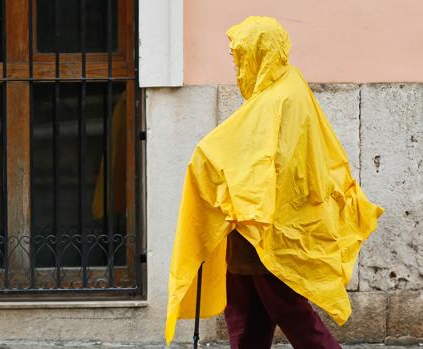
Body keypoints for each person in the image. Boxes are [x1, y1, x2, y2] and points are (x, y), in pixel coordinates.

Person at [164, 16, 384, 349]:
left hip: (270, 232)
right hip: (249, 229)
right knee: (247, 319)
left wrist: (208, 160)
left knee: (292, 316)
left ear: (260, 51)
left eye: (240, 54)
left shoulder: (280, 98)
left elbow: (258, 158)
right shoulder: (280, 91)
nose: (236, 63)